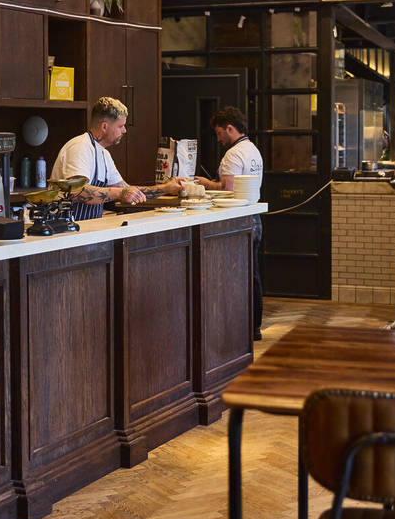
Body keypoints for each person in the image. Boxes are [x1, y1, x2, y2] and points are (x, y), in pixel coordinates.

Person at [192, 106, 265, 340]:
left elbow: (228, 189)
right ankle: (254, 327)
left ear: (230, 128)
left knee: (238, 275)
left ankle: (240, 329)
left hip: (238, 219)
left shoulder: (233, 154)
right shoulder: (253, 149)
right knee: (252, 273)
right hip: (254, 217)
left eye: (219, 133)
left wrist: (204, 183)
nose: (218, 139)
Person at [50, 96, 179, 222]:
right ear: (104, 127)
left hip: (88, 227)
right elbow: (77, 192)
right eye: (120, 126)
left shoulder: (104, 154)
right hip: (64, 228)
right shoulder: (80, 147)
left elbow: (129, 190)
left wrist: (167, 188)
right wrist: (121, 193)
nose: (124, 130)